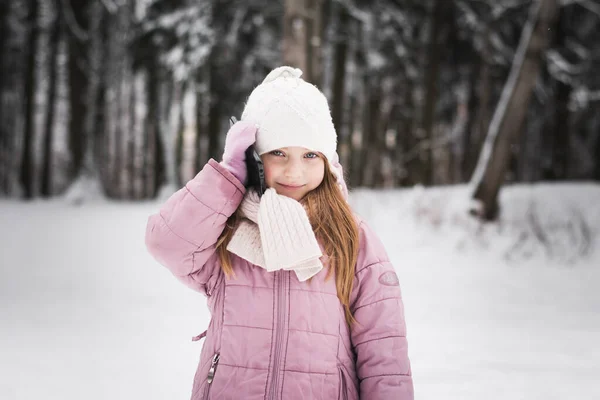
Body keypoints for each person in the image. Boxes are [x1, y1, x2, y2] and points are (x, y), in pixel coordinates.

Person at [145, 66, 413, 400]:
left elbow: (384, 353)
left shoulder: (351, 237)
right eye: (278, 153)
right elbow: (166, 242)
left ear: (328, 161)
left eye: (310, 155)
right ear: (254, 157)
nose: (294, 171)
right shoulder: (227, 229)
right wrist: (226, 178)